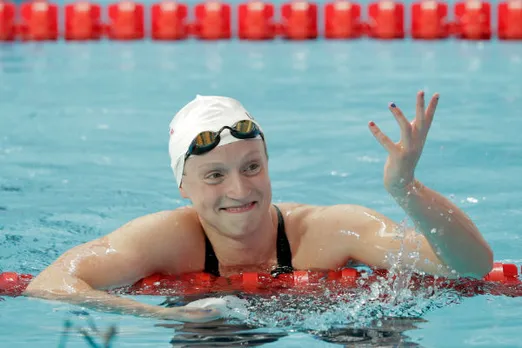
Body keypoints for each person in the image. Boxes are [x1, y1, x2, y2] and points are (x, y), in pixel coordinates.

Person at [23, 91, 493, 323]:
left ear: (268, 164)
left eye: (251, 167)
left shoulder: (331, 230)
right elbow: (49, 284)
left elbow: (472, 267)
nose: (238, 190)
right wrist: (167, 317)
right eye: (214, 175)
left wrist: (406, 188)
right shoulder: (165, 238)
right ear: (183, 187)